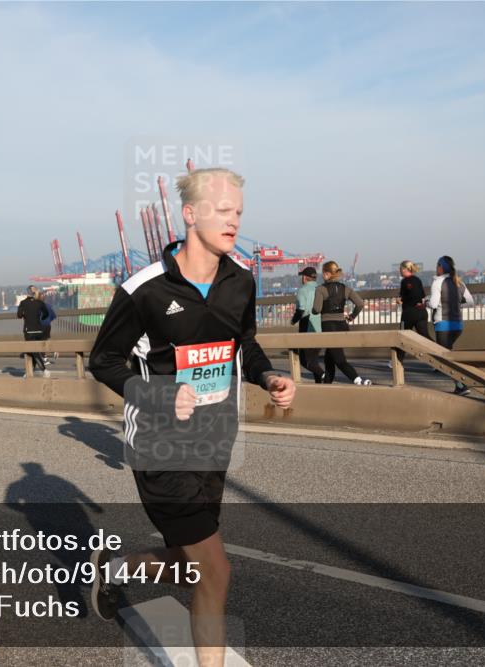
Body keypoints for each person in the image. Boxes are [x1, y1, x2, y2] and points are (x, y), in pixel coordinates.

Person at [89, 168, 295, 667]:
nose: (234, 222)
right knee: (216, 571)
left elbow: (243, 345)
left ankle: (116, 570)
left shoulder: (240, 281)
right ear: (190, 214)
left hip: (214, 441)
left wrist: (268, 378)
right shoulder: (145, 289)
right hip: (160, 446)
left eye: (239, 213)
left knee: (188, 566)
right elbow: (104, 360)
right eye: (224, 212)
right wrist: (160, 395)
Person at [311, 261, 371, 385]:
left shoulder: (321, 289)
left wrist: (313, 310)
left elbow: (316, 310)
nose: (322, 276)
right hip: (342, 326)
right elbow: (360, 304)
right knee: (329, 358)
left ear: (327, 274)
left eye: (323, 273)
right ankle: (327, 384)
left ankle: (359, 380)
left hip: (328, 326)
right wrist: (352, 316)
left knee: (339, 359)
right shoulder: (345, 288)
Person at [429, 255, 475, 395]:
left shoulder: (438, 282)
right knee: (449, 353)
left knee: (444, 357)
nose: (436, 268)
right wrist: (456, 303)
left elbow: (433, 304)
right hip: (458, 326)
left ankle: (462, 385)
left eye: (437, 265)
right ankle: (461, 384)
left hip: (443, 324)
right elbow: (470, 301)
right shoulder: (459, 283)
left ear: (441, 267)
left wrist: (425, 302)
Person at [290, 266, 324, 382]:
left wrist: (293, 321)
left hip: (307, 326)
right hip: (321, 327)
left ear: (304, 278)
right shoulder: (321, 289)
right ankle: (319, 383)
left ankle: (323, 375)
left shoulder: (302, 290)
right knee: (313, 359)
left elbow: (301, 310)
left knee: (305, 360)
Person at [396, 260, 431, 364]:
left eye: (400, 269)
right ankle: (440, 356)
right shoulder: (418, 280)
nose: (399, 271)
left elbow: (412, 296)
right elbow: (422, 296)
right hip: (421, 312)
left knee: (402, 337)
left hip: (409, 313)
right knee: (425, 336)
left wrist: (401, 300)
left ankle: (398, 360)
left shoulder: (405, 281)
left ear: (404, 269)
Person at [16, 285, 50, 378]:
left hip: (29, 331)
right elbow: (46, 313)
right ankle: (29, 372)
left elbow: (19, 315)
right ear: (34, 292)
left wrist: (25, 315)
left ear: (27, 292)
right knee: (35, 351)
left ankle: (44, 370)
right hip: (39, 330)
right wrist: (41, 318)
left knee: (32, 351)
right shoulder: (39, 303)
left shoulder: (23, 303)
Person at [39, 293, 57, 366]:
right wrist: (48, 320)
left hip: (40, 326)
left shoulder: (38, 307)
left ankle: (45, 359)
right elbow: (53, 316)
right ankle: (53, 351)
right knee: (47, 339)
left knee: (41, 342)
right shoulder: (49, 306)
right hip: (48, 325)